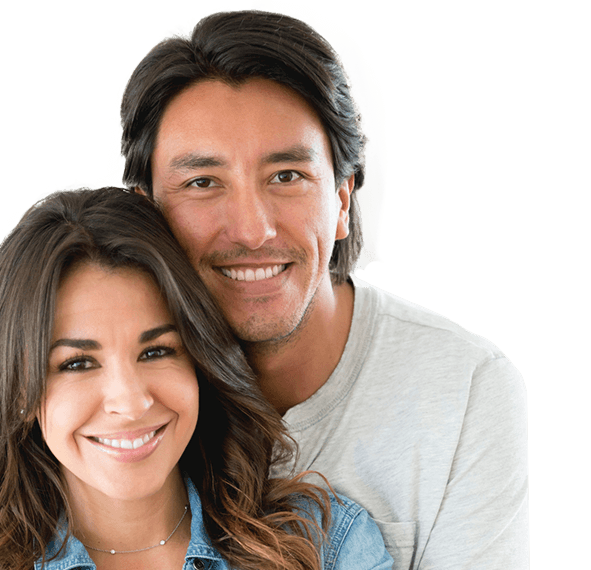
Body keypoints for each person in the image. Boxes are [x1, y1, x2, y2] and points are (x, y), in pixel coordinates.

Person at [115, 7, 529, 569]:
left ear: (341, 199)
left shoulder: (463, 390)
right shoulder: (97, 392)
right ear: (146, 214)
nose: (253, 229)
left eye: (287, 176)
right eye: (202, 183)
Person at [0, 186, 392, 570]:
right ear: (20, 392)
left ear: (199, 362)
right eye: (77, 363)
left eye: (157, 351)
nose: (130, 401)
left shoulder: (324, 547)